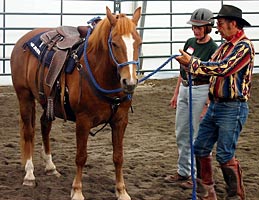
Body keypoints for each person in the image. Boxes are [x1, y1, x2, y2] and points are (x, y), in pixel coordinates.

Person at [175, 4, 255, 200]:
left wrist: (192, 63)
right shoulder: (225, 47)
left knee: (225, 153)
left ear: (233, 24)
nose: (218, 28)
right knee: (200, 146)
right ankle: (207, 192)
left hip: (233, 106)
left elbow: (222, 68)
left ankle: (235, 195)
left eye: (220, 24)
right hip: (217, 105)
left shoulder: (244, 47)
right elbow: (211, 66)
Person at [164, 8, 218, 189]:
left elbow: (214, 76)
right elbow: (183, 69)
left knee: (197, 135)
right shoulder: (189, 42)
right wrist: (176, 92)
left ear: (208, 27)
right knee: (181, 132)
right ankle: (183, 171)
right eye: (194, 27)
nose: (196, 30)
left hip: (201, 90)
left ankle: (197, 177)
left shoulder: (213, 48)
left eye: (200, 27)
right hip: (185, 89)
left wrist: (207, 103)